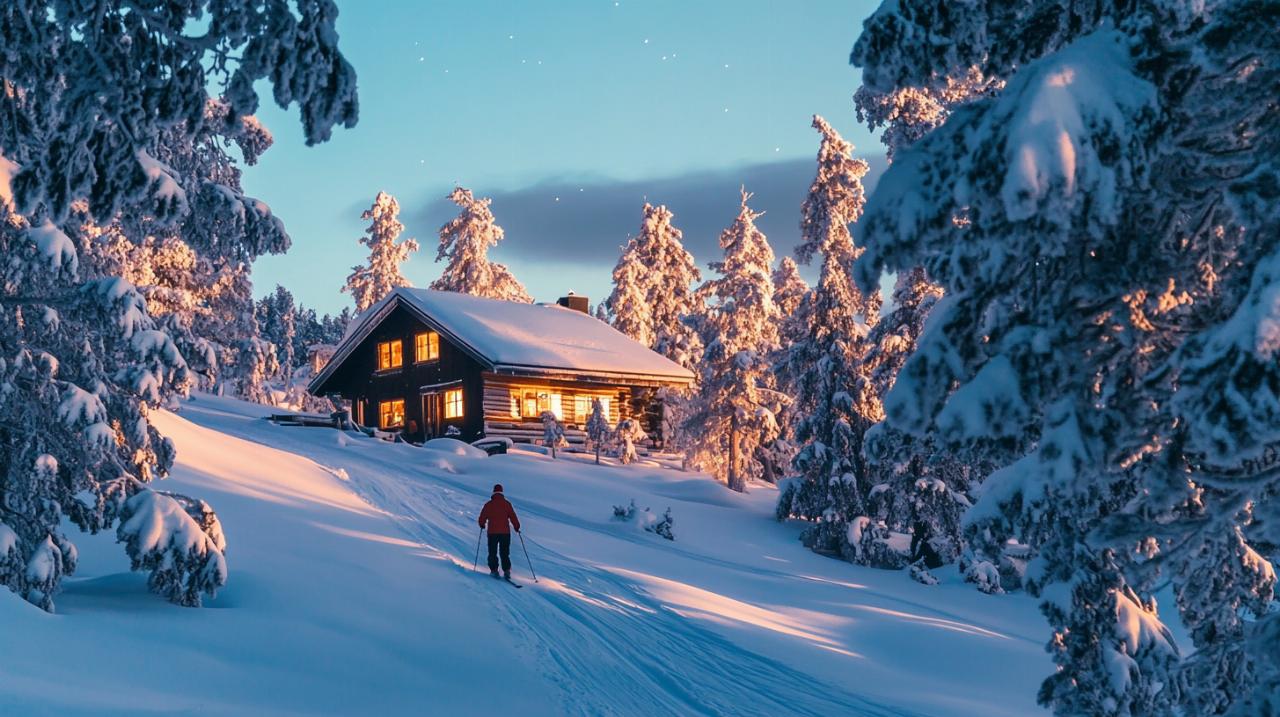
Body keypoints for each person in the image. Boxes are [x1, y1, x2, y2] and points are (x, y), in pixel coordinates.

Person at [478, 484, 521, 579]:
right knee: (504, 552)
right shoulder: (507, 504)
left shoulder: (488, 504)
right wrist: (517, 527)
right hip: (505, 533)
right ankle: (506, 571)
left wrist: (482, 524)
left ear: (493, 492)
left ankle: (494, 571)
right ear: (502, 492)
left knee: (492, 552)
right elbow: (513, 516)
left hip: (492, 533)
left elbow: (482, 517)